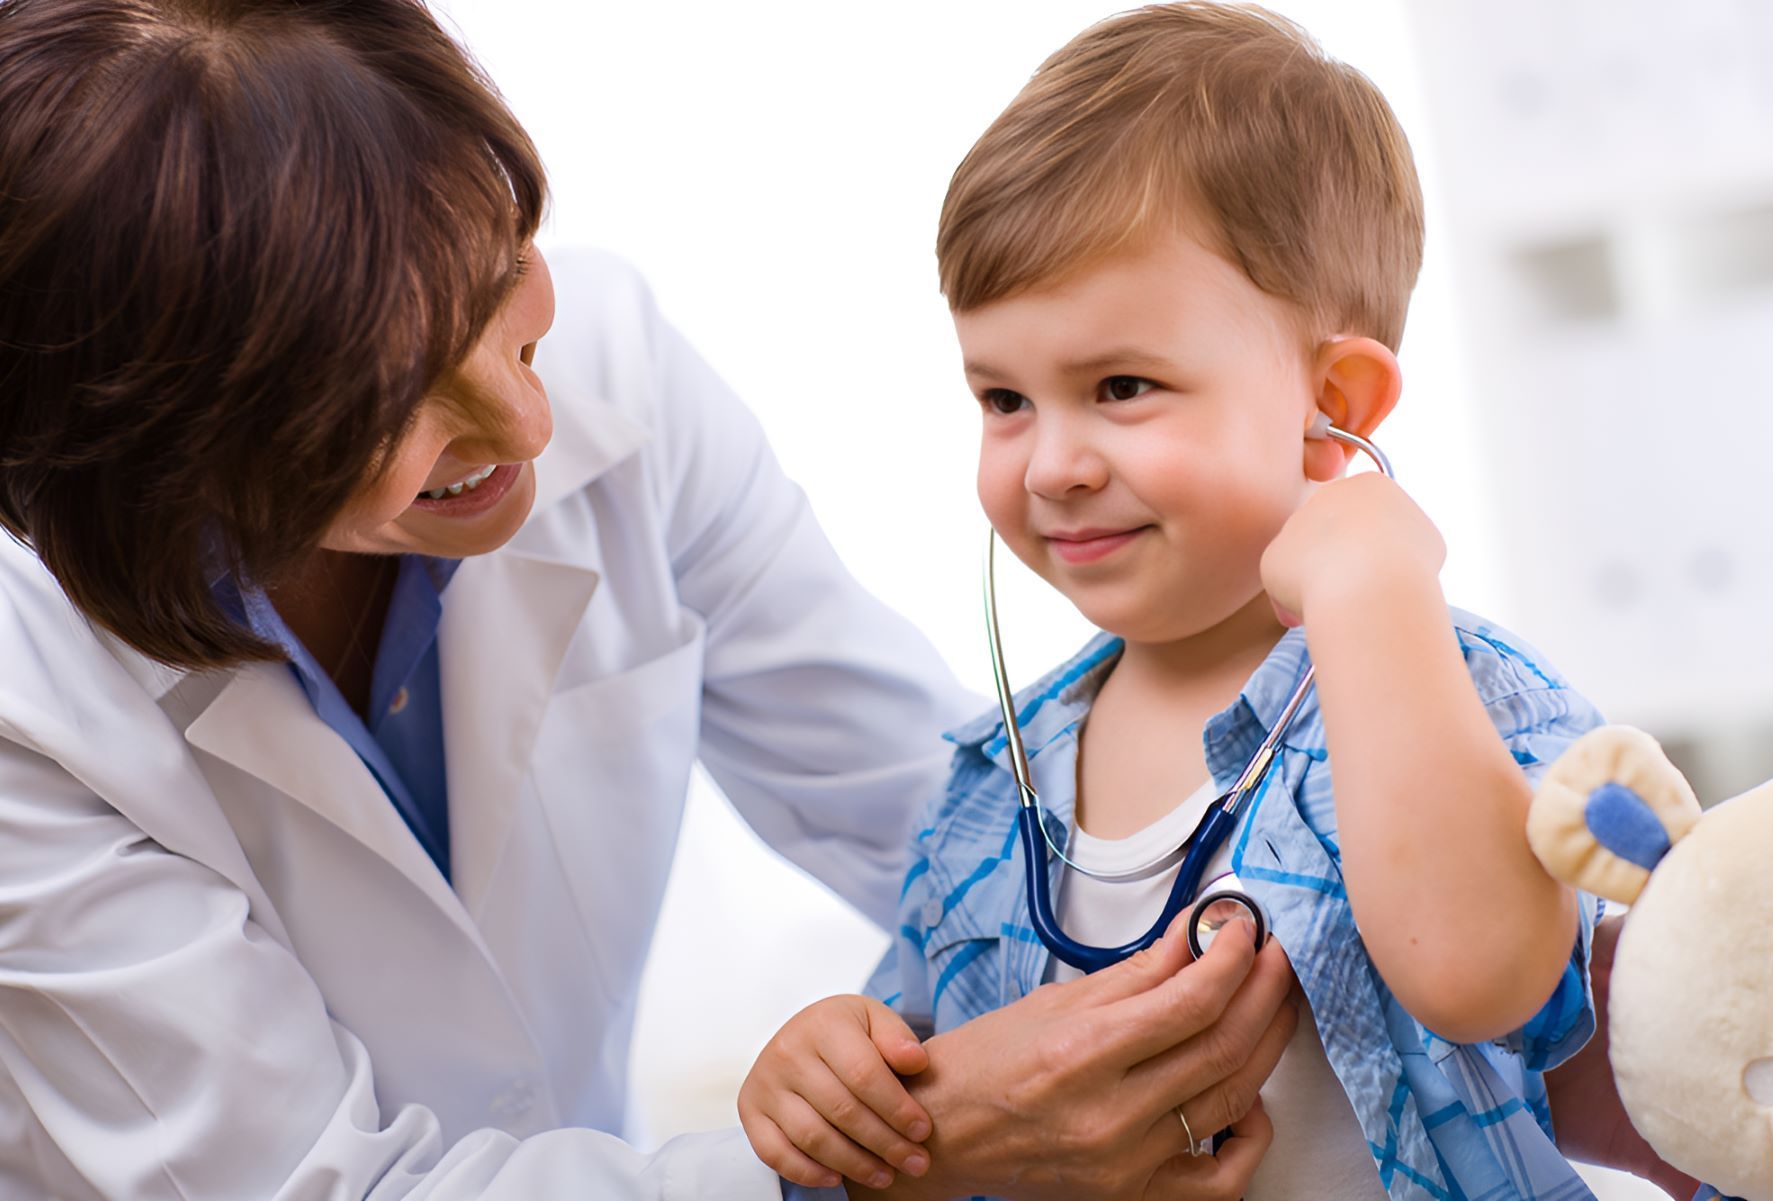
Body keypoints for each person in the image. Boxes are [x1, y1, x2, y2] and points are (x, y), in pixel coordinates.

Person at [0, 1, 1304, 1198]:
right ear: (161, 453)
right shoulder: (28, 688)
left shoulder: (611, 370)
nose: (524, 415)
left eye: (500, 275)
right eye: (382, 403)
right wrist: (909, 1137)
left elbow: (947, 827)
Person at [738, 6, 1620, 1199]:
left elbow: (1482, 975)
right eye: (1003, 399)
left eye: (1120, 386)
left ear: (1334, 403)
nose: (1050, 464)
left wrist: (1368, 585)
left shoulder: (1447, 686)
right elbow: (917, 1080)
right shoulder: (991, 779)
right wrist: (825, 1073)